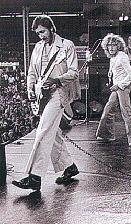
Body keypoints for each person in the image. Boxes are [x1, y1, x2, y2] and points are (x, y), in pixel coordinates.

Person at [12, 15, 80, 191]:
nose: (41, 35)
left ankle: (34, 177)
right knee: (52, 133)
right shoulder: (37, 48)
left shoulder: (67, 45)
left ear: (51, 28)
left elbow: (74, 72)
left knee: (42, 131)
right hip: (41, 96)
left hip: (59, 94)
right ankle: (69, 167)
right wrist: (29, 89)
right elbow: (32, 72)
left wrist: (57, 80)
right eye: (38, 33)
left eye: (42, 31)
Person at [96, 33, 131, 147]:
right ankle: (106, 135)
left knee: (127, 112)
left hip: (123, 88)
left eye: (114, 45)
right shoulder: (112, 58)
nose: (111, 47)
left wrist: (119, 85)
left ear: (118, 46)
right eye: (109, 45)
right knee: (108, 110)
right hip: (116, 88)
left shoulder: (122, 56)